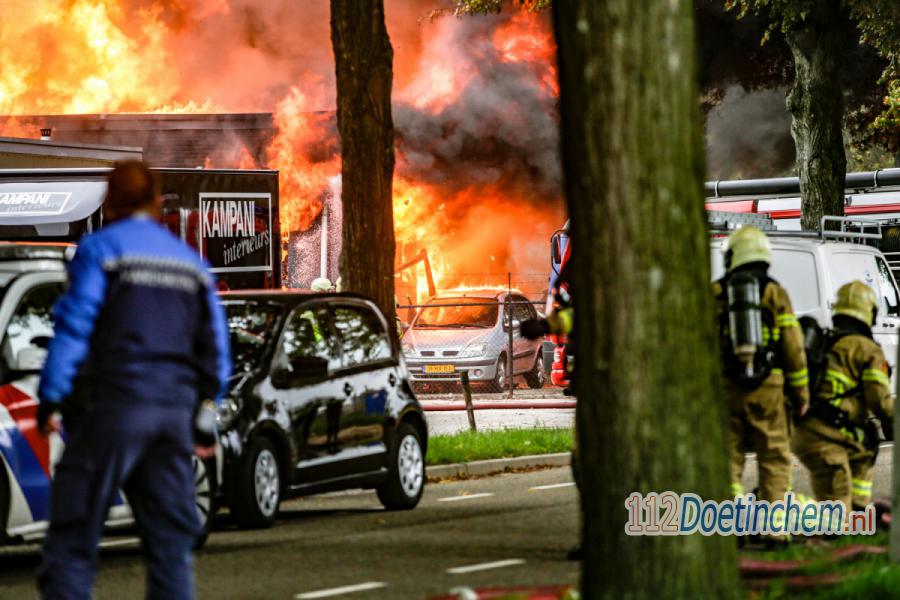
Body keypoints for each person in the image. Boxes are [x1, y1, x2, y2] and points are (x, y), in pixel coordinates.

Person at [35, 162, 231, 600]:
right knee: (170, 547)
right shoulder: (191, 263)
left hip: (111, 408)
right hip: (173, 416)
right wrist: (205, 411)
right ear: (156, 201)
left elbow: (75, 327)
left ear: (109, 202)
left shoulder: (100, 251)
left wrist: (51, 396)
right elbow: (216, 350)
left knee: (73, 540)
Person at [713, 226, 809, 543]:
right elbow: (793, 348)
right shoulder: (775, 293)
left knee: (728, 459)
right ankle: (775, 529)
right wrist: (801, 394)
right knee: (774, 458)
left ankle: (729, 527)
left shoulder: (715, 293)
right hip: (770, 389)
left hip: (727, 389)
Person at [792, 280, 894, 515]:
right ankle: (773, 505)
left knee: (865, 445)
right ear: (868, 312)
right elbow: (882, 405)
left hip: (809, 431)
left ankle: (857, 508)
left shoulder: (829, 341)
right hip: (826, 439)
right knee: (835, 515)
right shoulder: (867, 349)